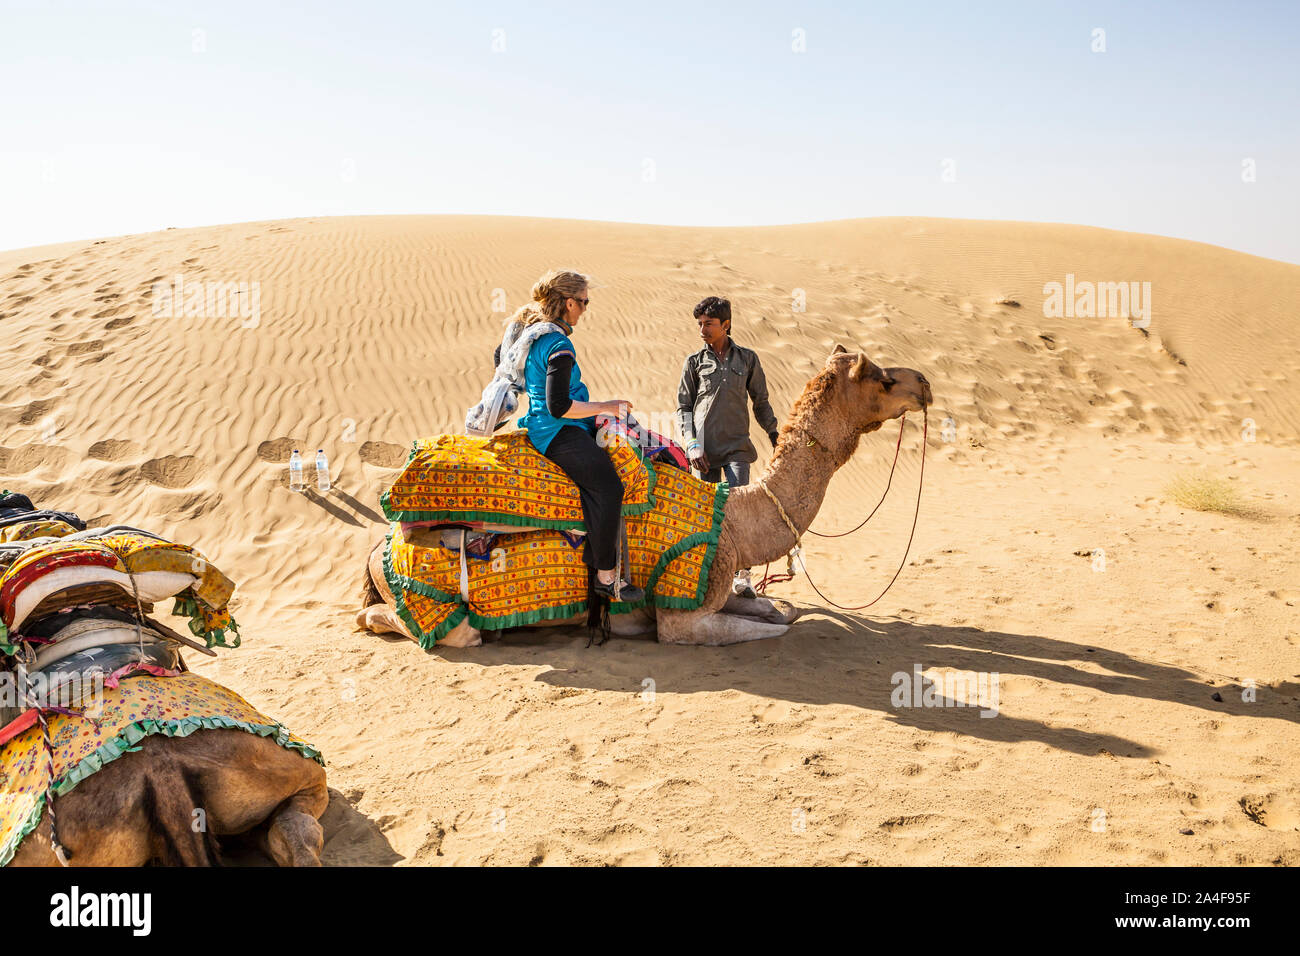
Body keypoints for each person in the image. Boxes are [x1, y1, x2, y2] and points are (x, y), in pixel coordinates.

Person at [512, 269, 644, 603]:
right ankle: (606, 577)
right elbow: (559, 406)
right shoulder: (559, 343)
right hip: (557, 431)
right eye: (583, 302)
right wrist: (608, 407)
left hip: (554, 426)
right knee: (609, 486)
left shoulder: (535, 335)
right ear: (569, 303)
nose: (585, 309)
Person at [676, 296, 779, 599]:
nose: (702, 330)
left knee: (737, 509)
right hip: (703, 453)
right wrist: (691, 444)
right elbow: (683, 408)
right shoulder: (694, 362)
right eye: (700, 324)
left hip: (737, 447)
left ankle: (743, 576)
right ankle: (706, 573)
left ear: (726, 325)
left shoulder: (747, 359)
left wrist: (774, 432)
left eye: (708, 324)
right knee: (706, 514)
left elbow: (760, 401)